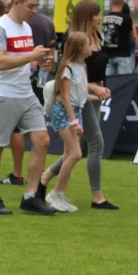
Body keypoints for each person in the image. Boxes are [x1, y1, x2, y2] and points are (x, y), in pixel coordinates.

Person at [38, 0, 117, 210]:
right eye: (97, 14)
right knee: (96, 144)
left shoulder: (98, 35)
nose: (100, 18)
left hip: (93, 95)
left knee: (80, 146)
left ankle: (46, 177)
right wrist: (93, 88)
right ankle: (97, 196)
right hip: (81, 97)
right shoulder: (74, 40)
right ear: (87, 16)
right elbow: (73, 75)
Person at [0, 0, 54, 215]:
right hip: (3, 93)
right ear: (16, 3)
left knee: (42, 139)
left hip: (24, 92)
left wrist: (38, 63)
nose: (34, 11)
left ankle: (30, 195)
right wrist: (31, 56)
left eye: (36, 6)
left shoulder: (25, 28)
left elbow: (23, 60)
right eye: (30, 6)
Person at [42, 31, 95, 212]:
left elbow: (79, 94)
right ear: (80, 48)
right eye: (88, 44)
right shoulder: (67, 69)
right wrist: (74, 121)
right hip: (64, 113)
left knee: (68, 155)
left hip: (74, 111)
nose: (91, 48)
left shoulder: (81, 67)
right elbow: (65, 96)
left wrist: (98, 95)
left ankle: (59, 193)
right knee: (76, 154)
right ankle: (56, 193)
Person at [101, 0, 138, 76]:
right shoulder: (126, 18)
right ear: (123, 3)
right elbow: (134, 37)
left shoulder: (105, 17)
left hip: (108, 53)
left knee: (109, 81)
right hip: (123, 54)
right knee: (125, 81)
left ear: (111, 2)